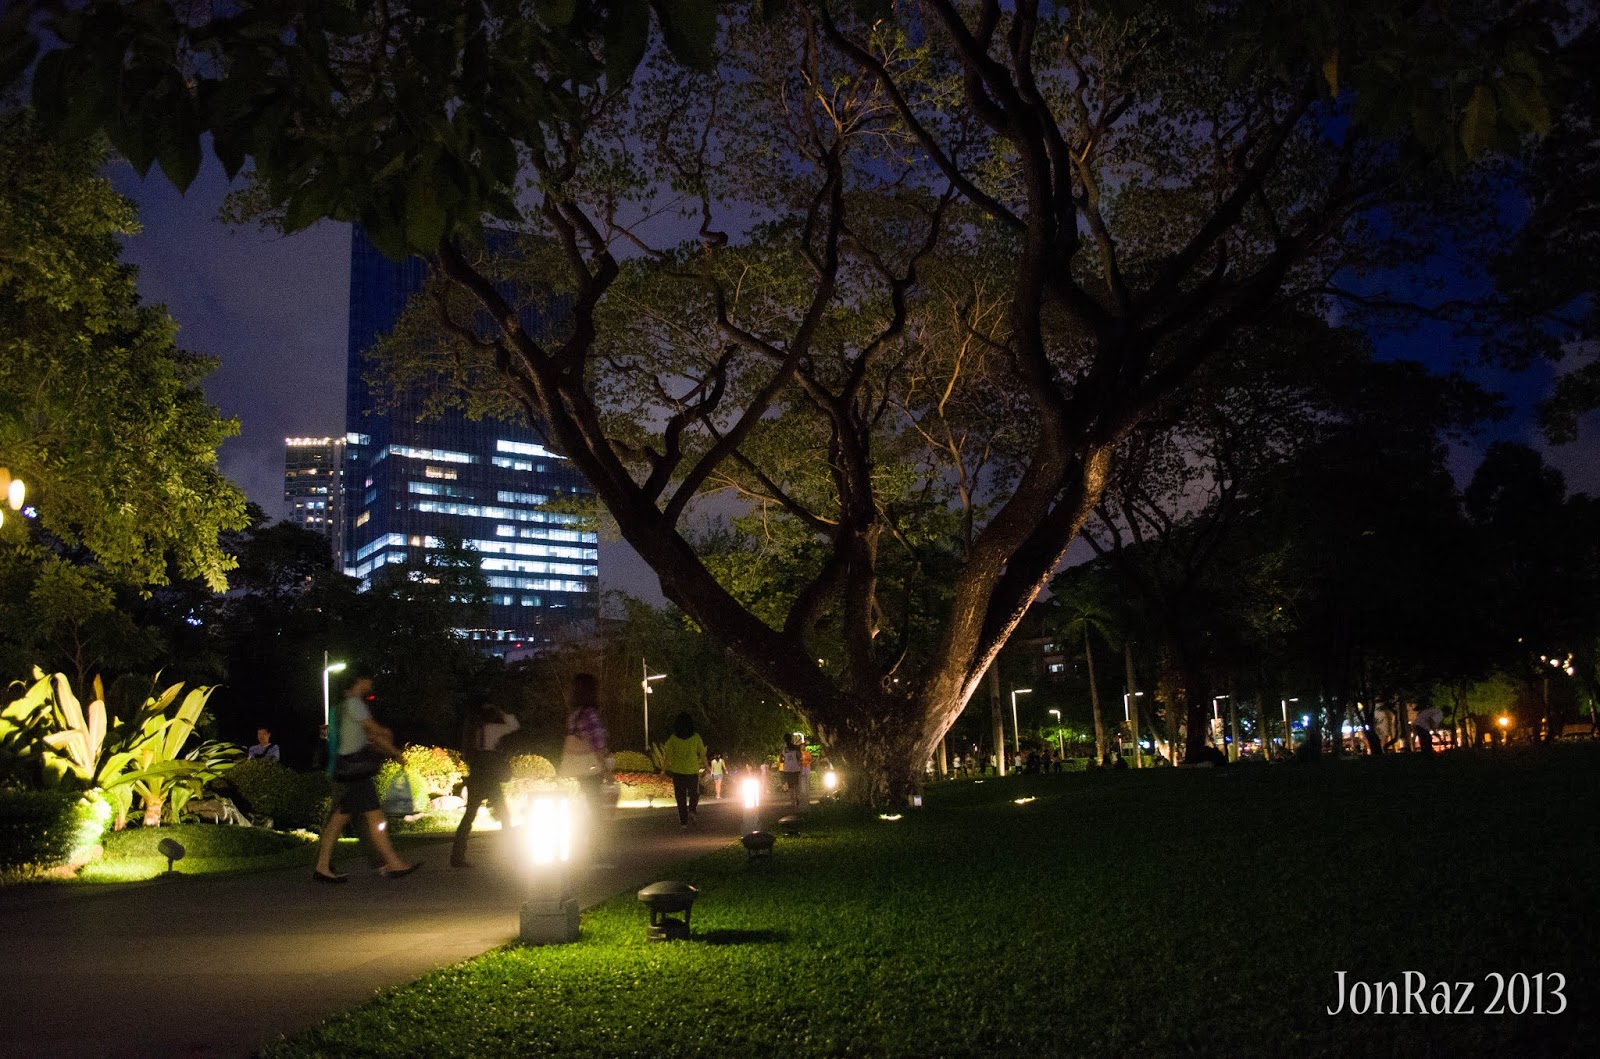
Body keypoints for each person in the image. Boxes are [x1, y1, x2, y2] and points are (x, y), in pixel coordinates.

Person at [312, 673, 420, 883]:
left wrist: (387, 744)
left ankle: (323, 867)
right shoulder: (355, 704)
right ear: (358, 681)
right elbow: (373, 731)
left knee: (348, 818)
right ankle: (391, 863)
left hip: (345, 769)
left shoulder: (339, 708)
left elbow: (366, 735)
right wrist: (394, 749)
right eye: (367, 679)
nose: (370, 683)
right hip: (355, 771)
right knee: (367, 817)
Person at [450, 701, 520, 868]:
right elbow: (514, 725)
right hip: (490, 776)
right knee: (504, 816)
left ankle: (457, 855)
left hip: (476, 775)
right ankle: (510, 854)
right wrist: (500, 709)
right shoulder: (492, 729)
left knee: (469, 815)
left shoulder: (471, 732)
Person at [663, 712, 708, 827]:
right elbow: (702, 754)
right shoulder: (696, 737)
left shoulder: (673, 738)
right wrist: (707, 768)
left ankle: (683, 822)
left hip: (677, 771)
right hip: (692, 770)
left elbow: (667, 755)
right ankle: (692, 810)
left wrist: (663, 770)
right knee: (694, 793)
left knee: (680, 797)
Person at [780, 734, 802, 807]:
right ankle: (797, 797)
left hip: (787, 769)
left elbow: (781, 759)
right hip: (795, 768)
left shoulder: (784, 749)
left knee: (790, 786)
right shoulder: (796, 747)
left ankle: (792, 802)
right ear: (791, 739)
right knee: (796, 784)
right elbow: (800, 756)